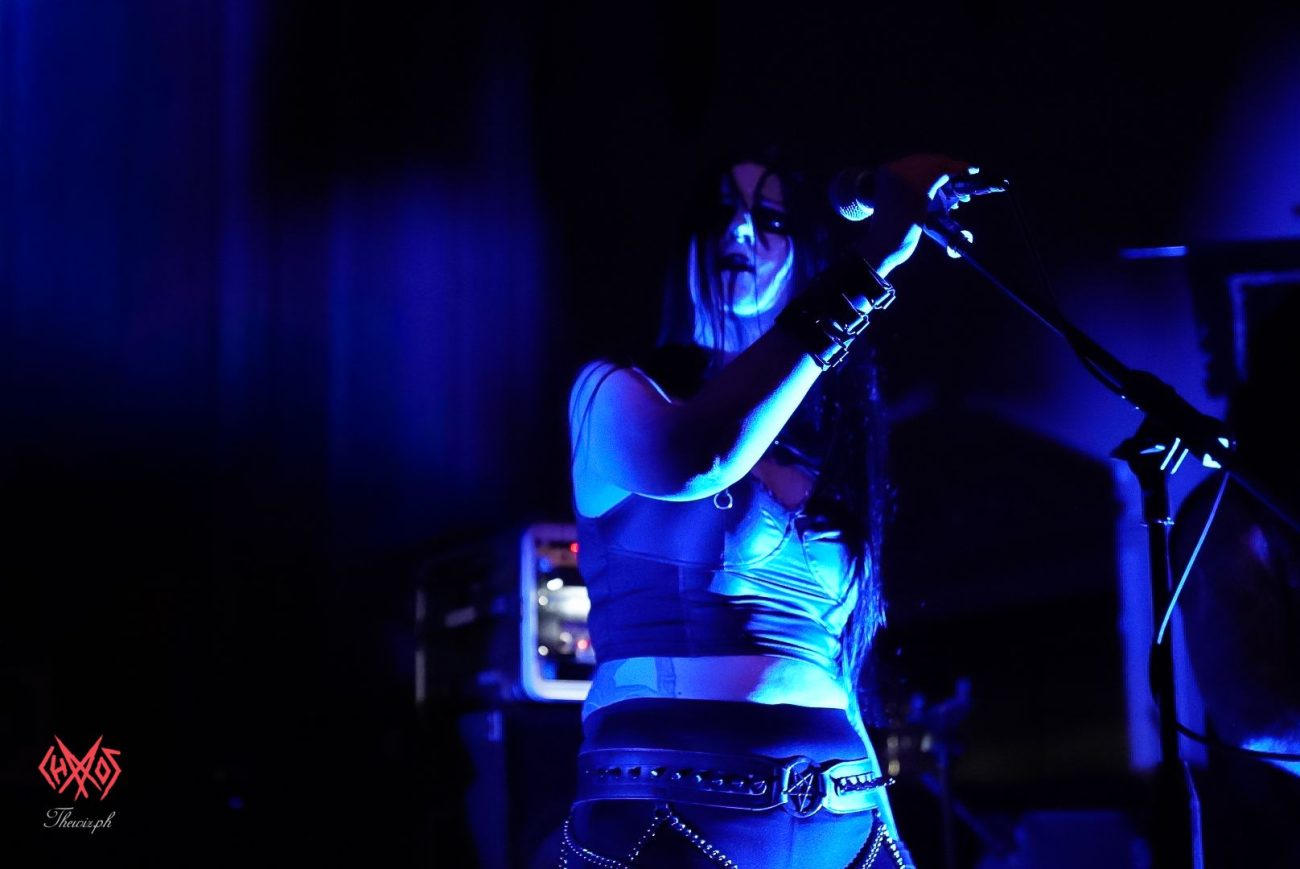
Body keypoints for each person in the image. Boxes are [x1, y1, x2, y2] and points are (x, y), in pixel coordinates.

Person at [562, 146, 976, 868]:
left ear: (800, 251)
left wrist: (895, 846)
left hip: (847, 818)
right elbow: (697, 456)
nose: (744, 231)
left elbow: (839, 680)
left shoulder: (832, 450)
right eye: (723, 213)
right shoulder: (610, 395)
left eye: (772, 218)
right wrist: (866, 267)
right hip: (668, 812)